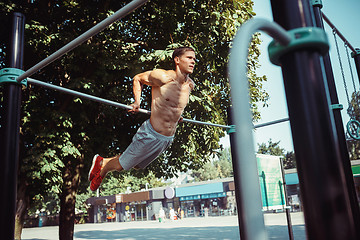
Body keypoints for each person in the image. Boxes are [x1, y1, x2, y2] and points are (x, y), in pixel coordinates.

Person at [88, 46, 196, 191]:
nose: (193, 61)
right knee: (121, 165)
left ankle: (104, 163)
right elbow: (138, 78)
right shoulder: (163, 77)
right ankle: (103, 165)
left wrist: (176, 117)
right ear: (177, 60)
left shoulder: (189, 85)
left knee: (137, 165)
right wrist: (137, 102)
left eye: (194, 59)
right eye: (189, 58)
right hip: (151, 134)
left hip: (167, 139)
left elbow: (173, 106)